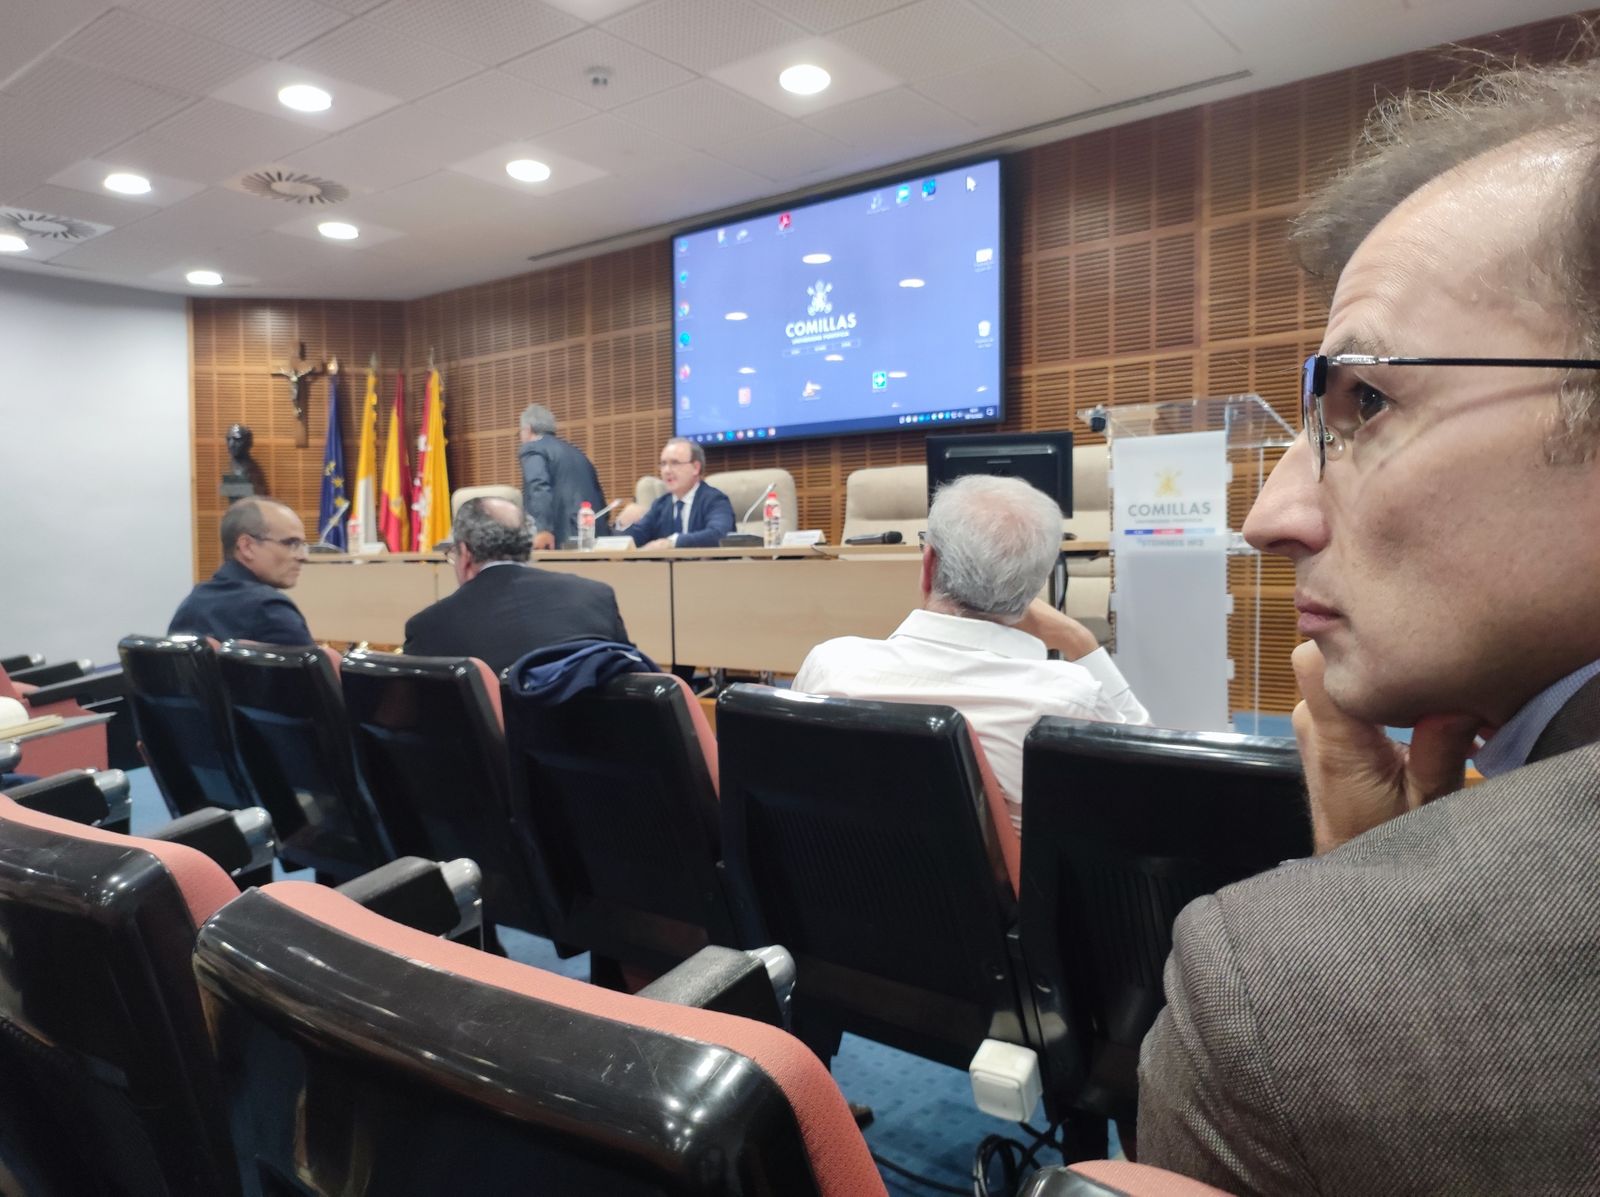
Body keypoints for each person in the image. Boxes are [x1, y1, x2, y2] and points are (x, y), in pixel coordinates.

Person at [1137, 56, 1600, 1195]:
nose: (1270, 517)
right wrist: (1402, 884)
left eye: (1366, 401)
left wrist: (1370, 929)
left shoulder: (1273, 1003)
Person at [792, 473, 1148, 831]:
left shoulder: (830, 668)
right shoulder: (1068, 702)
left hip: (836, 864)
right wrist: (1078, 639)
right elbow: (1152, 782)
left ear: (928, 565)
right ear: (1036, 586)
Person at [404, 496, 630, 675]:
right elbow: (632, 681)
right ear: (527, 546)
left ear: (465, 552)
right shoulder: (596, 597)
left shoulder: (427, 628)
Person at [169, 497, 313, 644]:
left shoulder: (192, 604)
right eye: (291, 543)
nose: (303, 557)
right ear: (247, 547)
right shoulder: (270, 609)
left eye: (302, 545)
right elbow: (310, 659)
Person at [615, 437, 735, 549]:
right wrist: (622, 525)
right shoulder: (660, 505)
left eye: (675, 463)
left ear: (696, 468)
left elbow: (720, 534)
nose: (667, 470)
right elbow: (637, 537)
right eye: (663, 464)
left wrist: (672, 542)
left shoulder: (715, 500)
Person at [517, 403, 608, 550]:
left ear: (527, 429)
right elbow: (599, 497)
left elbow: (538, 487)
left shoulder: (532, 448)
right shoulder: (578, 453)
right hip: (595, 537)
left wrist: (543, 528)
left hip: (562, 540)